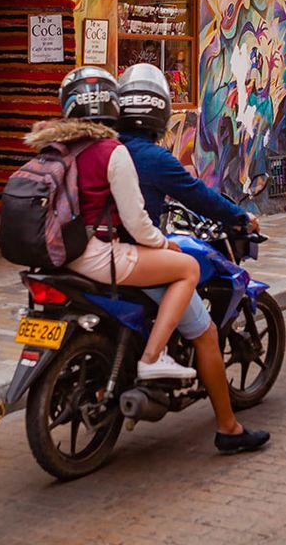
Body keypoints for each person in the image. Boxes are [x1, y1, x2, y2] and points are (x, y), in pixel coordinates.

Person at [118, 63, 270, 454]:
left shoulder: (106, 148)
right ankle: (228, 428)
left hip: (98, 254)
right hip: (136, 256)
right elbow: (200, 197)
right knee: (204, 333)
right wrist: (242, 218)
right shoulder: (153, 158)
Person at [24, 66, 199, 381]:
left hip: (59, 254)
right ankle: (153, 356)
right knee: (187, 268)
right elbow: (136, 222)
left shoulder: (58, 147)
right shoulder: (111, 151)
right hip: (98, 257)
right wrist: (163, 244)